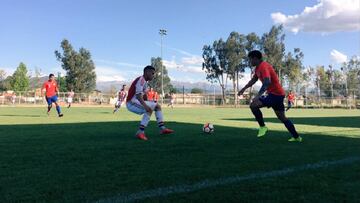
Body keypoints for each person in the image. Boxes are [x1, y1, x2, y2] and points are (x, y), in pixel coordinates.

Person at [237, 50, 301, 142]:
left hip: (275, 95)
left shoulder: (264, 66)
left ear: (255, 58)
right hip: (278, 95)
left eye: (250, 59)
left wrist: (258, 95)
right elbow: (253, 80)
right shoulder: (258, 68)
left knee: (253, 105)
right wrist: (243, 89)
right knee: (282, 118)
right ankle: (297, 137)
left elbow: (267, 82)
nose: (250, 62)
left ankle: (263, 127)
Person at [126, 65, 174, 140]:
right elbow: (138, 95)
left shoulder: (144, 82)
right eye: (152, 73)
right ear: (147, 72)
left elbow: (144, 95)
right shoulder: (141, 80)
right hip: (131, 103)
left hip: (136, 101)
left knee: (157, 106)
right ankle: (140, 132)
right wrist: (146, 105)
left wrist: (149, 102)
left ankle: (162, 128)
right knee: (149, 109)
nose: (153, 75)